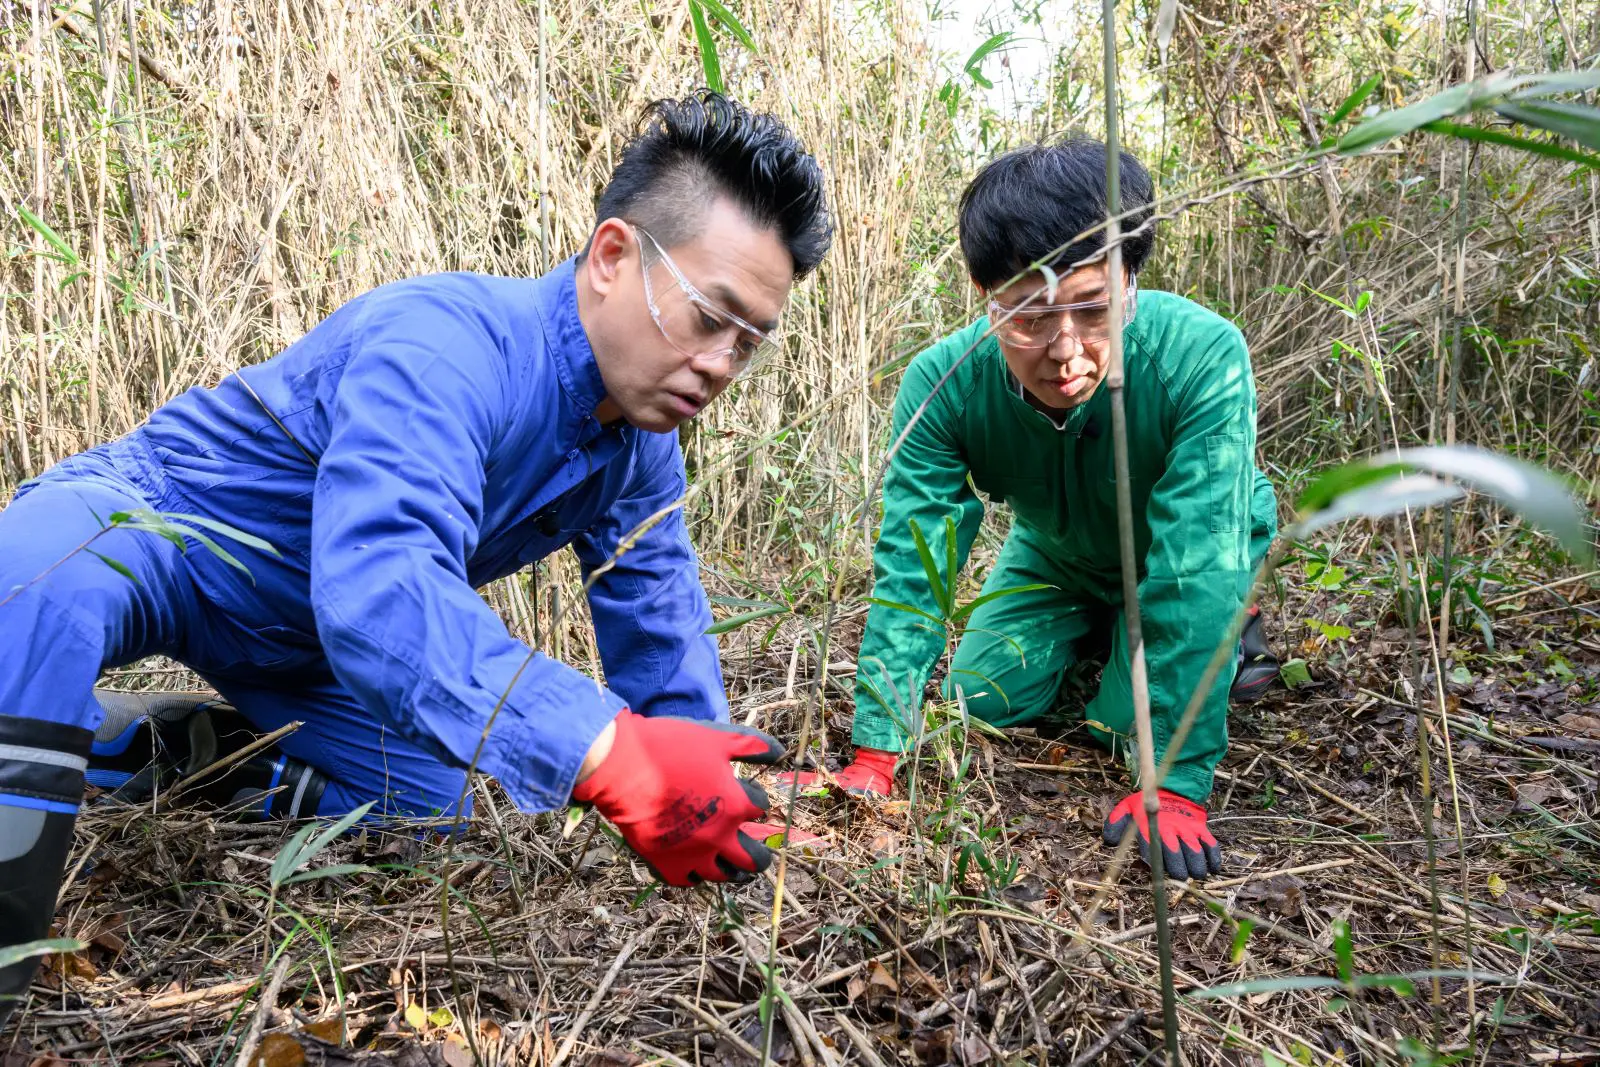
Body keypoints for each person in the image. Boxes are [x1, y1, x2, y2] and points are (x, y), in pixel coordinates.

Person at [0, 90, 831, 1022]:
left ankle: (121, 746)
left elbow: (659, 621)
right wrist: (602, 747)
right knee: (37, 585)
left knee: (423, 805)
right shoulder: (450, 343)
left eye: (748, 344)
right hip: (166, 531)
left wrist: (722, 794)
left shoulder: (640, 447)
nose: (720, 365)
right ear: (611, 257)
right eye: (710, 317)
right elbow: (383, 592)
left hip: (307, 646)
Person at [780, 137, 1278, 881]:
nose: (1066, 351)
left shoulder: (1201, 356)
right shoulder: (944, 389)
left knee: (1121, 727)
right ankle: (1106, 628)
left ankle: (1232, 628)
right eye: (1030, 317)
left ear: (1131, 282)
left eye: (1095, 308)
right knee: (978, 696)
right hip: (1056, 552)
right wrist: (878, 752)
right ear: (984, 295)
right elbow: (915, 562)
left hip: (1180, 552)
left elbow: (1195, 564)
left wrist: (1173, 780)